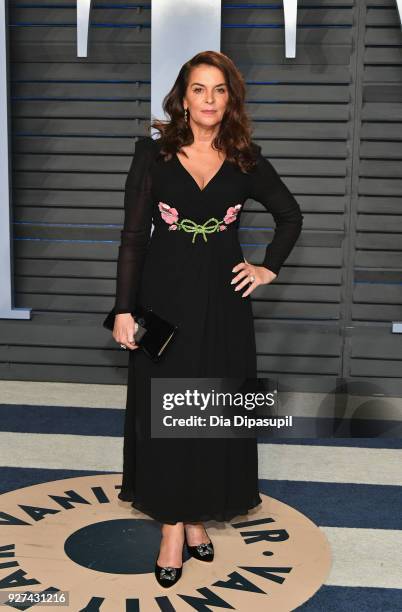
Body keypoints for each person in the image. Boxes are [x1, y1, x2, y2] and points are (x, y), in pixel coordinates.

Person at [109, 50, 303, 588]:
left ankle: (196, 518)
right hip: (162, 304)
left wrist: (268, 269)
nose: (210, 100)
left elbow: (291, 216)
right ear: (183, 97)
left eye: (219, 90)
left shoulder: (246, 160)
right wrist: (123, 310)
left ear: (230, 98)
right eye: (199, 89)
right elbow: (131, 239)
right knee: (166, 412)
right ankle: (175, 528)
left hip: (224, 304)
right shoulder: (151, 157)